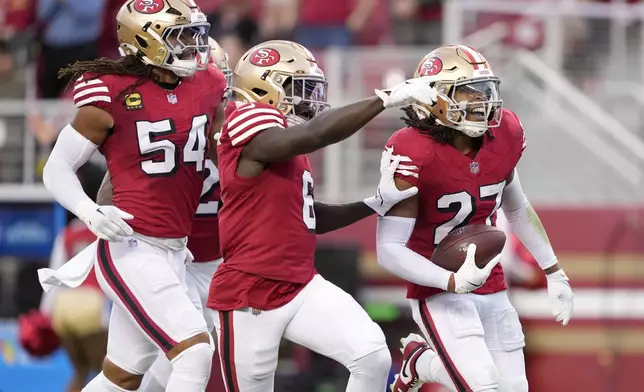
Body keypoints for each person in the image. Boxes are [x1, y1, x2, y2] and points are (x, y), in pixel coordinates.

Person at [208, 39, 438, 392]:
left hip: (300, 284)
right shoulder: (247, 119)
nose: (311, 100)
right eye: (300, 89)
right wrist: (385, 98)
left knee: (371, 355)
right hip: (249, 293)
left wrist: (373, 203)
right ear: (263, 87)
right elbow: (316, 133)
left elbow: (309, 218)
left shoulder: (285, 142)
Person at [41, 1, 227, 391]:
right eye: (181, 35)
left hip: (175, 248)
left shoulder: (208, 83)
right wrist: (88, 211)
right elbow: (57, 168)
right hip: (131, 246)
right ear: (145, 40)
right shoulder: (111, 93)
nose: (195, 45)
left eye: (195, 33)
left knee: (123, 376)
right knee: (194, 352)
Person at [375, 45, 575, 392]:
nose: (484, 101)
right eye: (469, 92)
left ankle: (419, 361)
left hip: (490, 281)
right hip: (436, 286)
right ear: (434, 98)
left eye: (486, 90)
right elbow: (388, 249)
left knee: (513, 387)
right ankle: (421, 361)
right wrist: (451, 282)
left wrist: (554, 271)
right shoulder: (412, 150)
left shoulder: (505, 133)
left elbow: (516, 206)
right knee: (483, 385)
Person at [94, 37, 233, 392]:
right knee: (188, 356)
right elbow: (109, 195)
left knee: (126, 374)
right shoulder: (162, 129)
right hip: (159, 258)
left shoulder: (238, 137)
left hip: (208, 264)